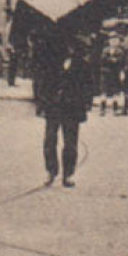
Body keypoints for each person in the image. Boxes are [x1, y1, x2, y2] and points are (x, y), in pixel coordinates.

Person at [33, 29, 92, 188]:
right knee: (50, 140)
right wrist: (42, 103)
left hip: (72, 108)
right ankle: (51, 171)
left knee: (70, 143)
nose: (69, 49)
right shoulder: (51, 62)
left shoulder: (82, 64)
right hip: (53, 105)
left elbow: (87, 86)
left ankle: (68, 174)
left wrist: (85, 104)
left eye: (73, 46)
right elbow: (43, 83)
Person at [97, 22, 124, 117]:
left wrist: (113, 60)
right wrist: (112, 60)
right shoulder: (105, 50)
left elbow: (121, 61)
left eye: (116, 40)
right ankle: (102, 109)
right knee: (104, 91)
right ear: (109, 41)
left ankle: (115, 109)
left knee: (115, 92)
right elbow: (102, 59)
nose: (114, 42)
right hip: (105, 72)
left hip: (115, 73)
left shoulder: (120, 50)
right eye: (112, 40)